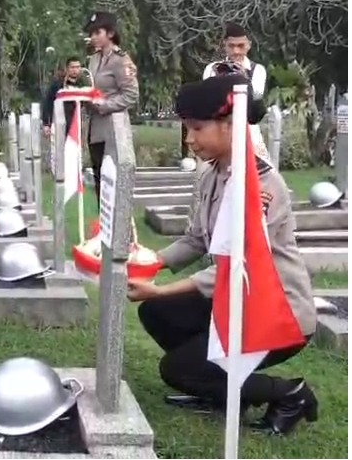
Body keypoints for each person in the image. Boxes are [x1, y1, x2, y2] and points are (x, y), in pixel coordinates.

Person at [127, 74, 317, 436]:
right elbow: (197, 239)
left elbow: (238, 264)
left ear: (230, 125)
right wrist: (151, 261)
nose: (189, 139)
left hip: (278, 313)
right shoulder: (213, 174)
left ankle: (290, 394)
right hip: (238, 301)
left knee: (178, 369)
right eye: (187, 128)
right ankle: (221, 390)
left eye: (197, 128)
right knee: (157, 312)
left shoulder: (261, 185)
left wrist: (161, 288)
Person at [84, 11, 139, 205]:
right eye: (91, 33)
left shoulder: (120, 60)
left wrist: (105, 105)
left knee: (112, 182)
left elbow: (131, 94)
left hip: (114, 129)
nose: (93, 37)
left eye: (97, 32)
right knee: (100, 180)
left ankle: (119, 224)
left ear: (110, 33)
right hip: (95, 128)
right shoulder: (94, 59)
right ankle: (102, 222)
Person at [202, 22, 270, 163]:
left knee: (261, 170)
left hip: (249, 132)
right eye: (231, 46)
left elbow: (254, 102)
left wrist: (243, 77)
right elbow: (208, 102)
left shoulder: (257, 70)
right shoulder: (212, 69)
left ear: (249, 45)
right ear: (225, 45)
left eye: (241, 46)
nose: (236, 51)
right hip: (218, 132)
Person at [41, 56, 89, 138]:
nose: (75, 70)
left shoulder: (83, 85)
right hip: (61, 123)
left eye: (77, 67)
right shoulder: (58, 85)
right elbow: (48, 103)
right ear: (67, 68)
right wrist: (46, 123)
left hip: (78, 124)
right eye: (72, 67)